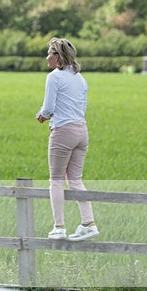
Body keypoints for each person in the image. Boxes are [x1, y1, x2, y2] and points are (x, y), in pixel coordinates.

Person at [35, 37, 99, 242]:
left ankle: (59, 226)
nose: (47, 57)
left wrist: (41, 116)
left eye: (50, 53)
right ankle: (89, 223)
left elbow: (49, 108)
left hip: (63, 132)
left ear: (58, 56)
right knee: (75, 180)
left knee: (55, 180)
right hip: (82, 132)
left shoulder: (54, 77)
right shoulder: (81, 79)